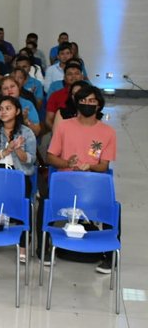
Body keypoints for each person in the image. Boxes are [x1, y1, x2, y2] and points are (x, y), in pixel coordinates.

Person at [46, 85, 117, 273]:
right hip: (66, 182)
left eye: (92, 101)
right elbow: (50, 157)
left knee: (112, 207)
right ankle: (44, 250)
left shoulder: (108, 132)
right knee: (44, 203)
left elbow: (104, 167)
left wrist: (90, 166)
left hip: (92, 185)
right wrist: (66, 162)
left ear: (99, 105)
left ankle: (109, 258)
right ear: (77, 104)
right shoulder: (64, 127)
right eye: (83, 101)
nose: (87, 104)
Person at [0, 96, 37, 262]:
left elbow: (31, 159)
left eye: (8, 108)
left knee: (23, 204)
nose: (3, 112)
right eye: (1, 109)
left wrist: (17, 150)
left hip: (18, 174)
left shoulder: (27, 132)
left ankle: (23, 245)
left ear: (17, 111)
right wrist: (5, 151)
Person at [45, 61, 84, 131]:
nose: (73, 77)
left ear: (82, 76)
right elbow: (48, 120)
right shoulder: (55, 95)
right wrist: (58, 134)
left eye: (77, 74)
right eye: (70, 74)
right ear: (64, 77)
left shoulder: (89, 95)